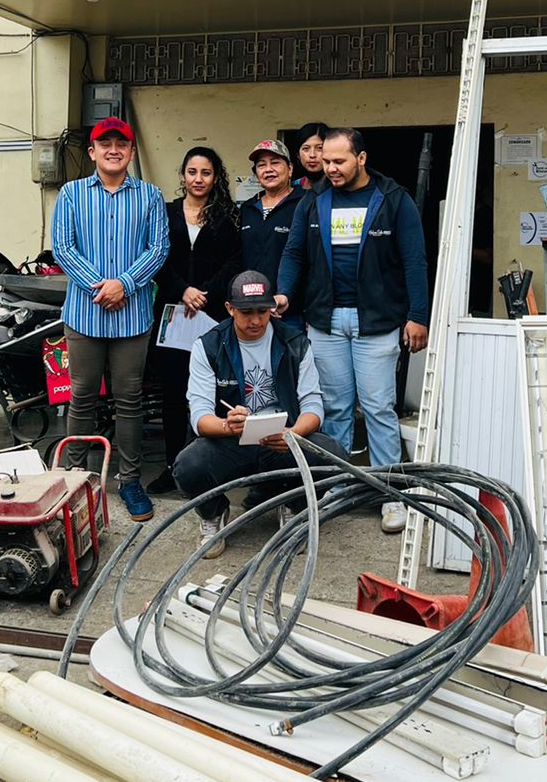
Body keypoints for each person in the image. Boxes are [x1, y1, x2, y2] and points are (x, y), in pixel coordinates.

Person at [275, 126, 429, 532]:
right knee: (335, 409)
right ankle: (338, 487)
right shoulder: (314, 200)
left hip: (376, 321)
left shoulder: (393, 199)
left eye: (339, 161)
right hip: (325, 321)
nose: (330, 168)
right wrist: (285, 293)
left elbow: (414, 260)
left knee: (378, 408)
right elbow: (294, 253)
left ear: (361, 158)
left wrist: (418, 315)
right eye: (326, 161)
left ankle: (389, 493)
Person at [50, 116, 169, 522]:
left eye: (121, 144)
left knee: (129, 399)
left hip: (132, 316)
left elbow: (159, 248)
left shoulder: (150, 196)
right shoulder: (71, 194)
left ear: (131, 152)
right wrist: (100, 287)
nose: (113, 150)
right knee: (81, 395)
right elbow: (63, 248)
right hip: (84, 314)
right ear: (93, 152)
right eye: (106, 144)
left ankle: (130, 480)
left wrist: (125, 285)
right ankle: (75, 478)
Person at [173, 271, 344, 553]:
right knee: (188, 466)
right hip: (231, 440)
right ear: (230, 309)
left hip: (281, 438)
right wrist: (227, 426)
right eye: (246, 312)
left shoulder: (294, 342)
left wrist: (292, 434)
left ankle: (294, 507)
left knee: (333, 457)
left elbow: (313, 405)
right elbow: (200, 416)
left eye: (262, 311)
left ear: (272, 308)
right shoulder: (209, 345)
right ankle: (213, 513)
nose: (255, 321)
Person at [149, 146, 240, 493]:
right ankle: (172, 467)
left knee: (212, 393)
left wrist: (205, 293)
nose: (198, 179)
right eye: (192, 172)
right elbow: (156, 258)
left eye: (206, 172)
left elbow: (234, 262)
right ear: (183, 175)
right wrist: (183, 290)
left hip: (211, 316)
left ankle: (210, 468)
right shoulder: (165, 212)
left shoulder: (228, 216)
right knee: (173, 394)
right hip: (172, 316)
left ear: (215, 178)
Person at [239, 138, 305, 324]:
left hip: (292, 311)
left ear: (290, 169)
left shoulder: (306, 204)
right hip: (252, 310)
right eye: (261, 165)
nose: (268, 169)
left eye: (275, 163)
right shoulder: (248, 208)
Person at [294, 122, 330, 189]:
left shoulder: (339, 188)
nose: (312, 155)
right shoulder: (292, 188)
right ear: (298, 155)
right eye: (306, 148)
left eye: (319, 148)